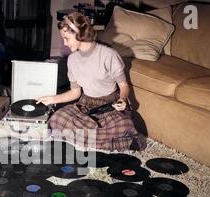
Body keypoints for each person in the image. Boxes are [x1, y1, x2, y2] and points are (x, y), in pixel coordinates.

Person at [37, 12, 145, 151]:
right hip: (86, 104)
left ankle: (124, 140)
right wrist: (51, 99)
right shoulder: (72, 60)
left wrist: (123, 100)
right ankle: (99, 138)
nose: (64, 43)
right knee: (57, 118)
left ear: (78, 34)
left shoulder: (109, 55)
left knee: (124, 125)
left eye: (66, 38)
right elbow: (75, 93)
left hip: (109, 104)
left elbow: (123, 86)